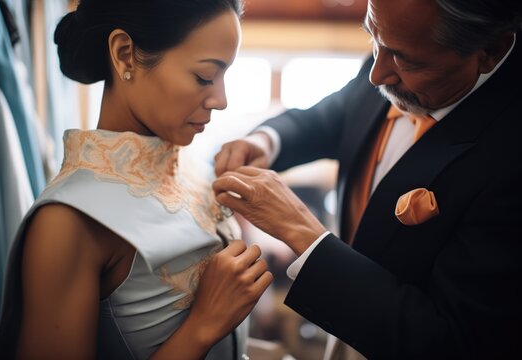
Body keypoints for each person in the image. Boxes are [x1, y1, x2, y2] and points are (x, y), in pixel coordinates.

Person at [212, 0, 522, 359]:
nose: (377, 74)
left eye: (406, 59)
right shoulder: (394, 50)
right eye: (373, 39)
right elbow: (339, 111)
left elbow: (450, 343)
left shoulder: (510, 157)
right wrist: (266, 140)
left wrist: (304, 234)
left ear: (490, 50)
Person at [0, 0, 273, 359]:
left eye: (224, 76)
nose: (221, 99)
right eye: (205, 76)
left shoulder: (200, 172)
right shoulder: (68, 223)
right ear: (125, 54)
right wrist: (202, 326)